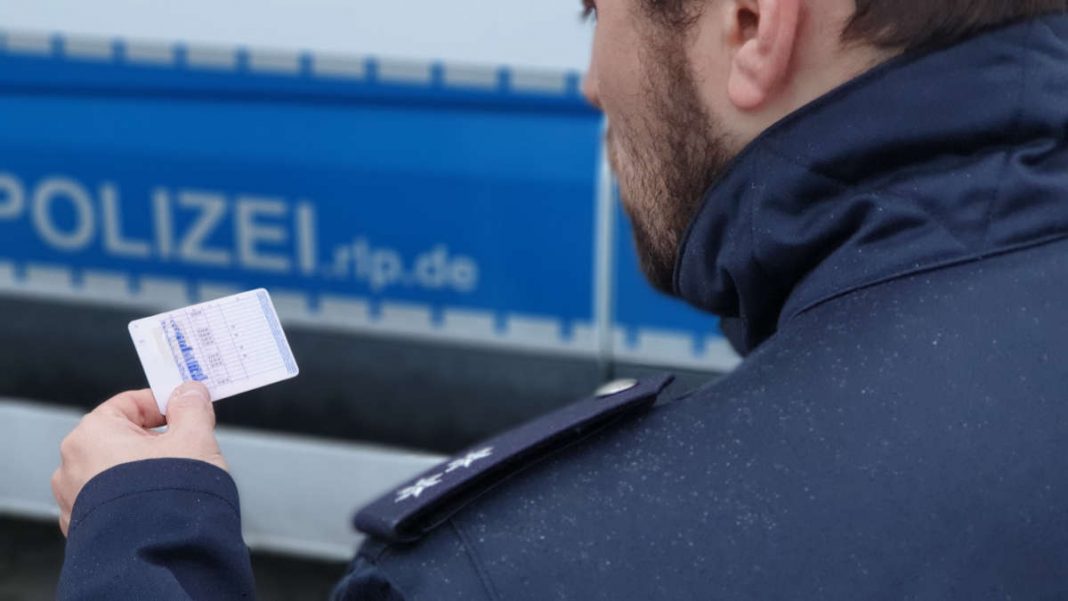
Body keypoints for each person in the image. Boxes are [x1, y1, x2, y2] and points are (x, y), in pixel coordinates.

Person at [53, 0, 1068, 598]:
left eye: (596, 10)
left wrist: (144, 540)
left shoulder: (515, 573)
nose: (588, 81)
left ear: (753, 24)